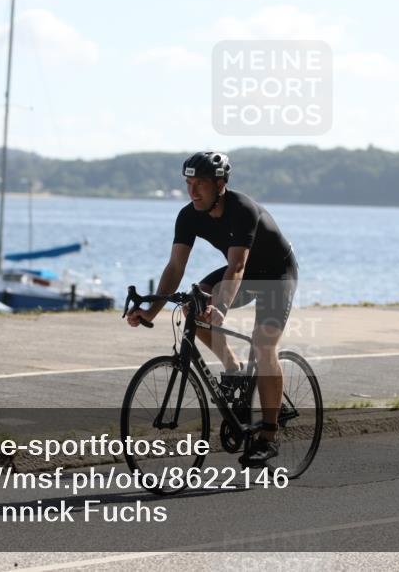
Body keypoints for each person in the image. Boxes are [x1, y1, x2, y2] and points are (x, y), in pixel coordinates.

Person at [126, 152, 298, 467]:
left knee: (263, 344)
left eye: (200, 185)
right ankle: (233, 370)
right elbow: (176, 267)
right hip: (242, 273)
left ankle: (268, 437)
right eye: (188, 184)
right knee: (194, 305)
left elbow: (236, 267)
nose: (192, 192)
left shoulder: (242, 209)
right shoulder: (189, 215)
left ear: (220, 184)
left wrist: (219, 308)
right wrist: (151, 312)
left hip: (275, 274)